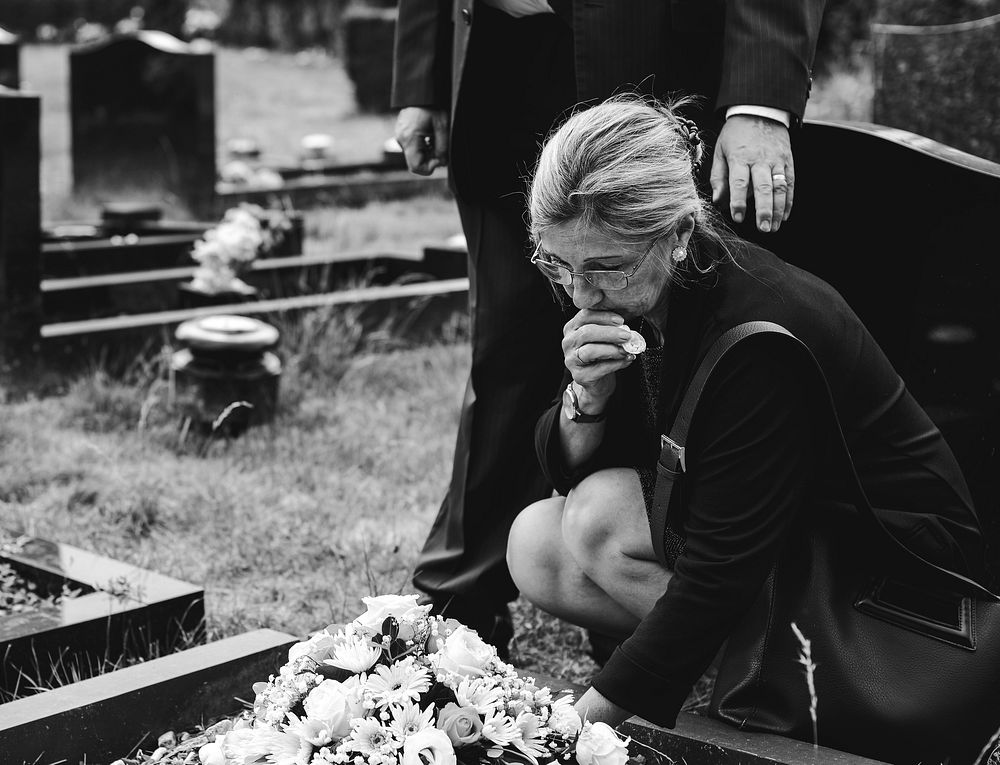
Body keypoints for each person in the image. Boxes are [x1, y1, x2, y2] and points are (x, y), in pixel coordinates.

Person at [505, 95, 991, 754]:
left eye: (602, 268)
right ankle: (734, 669)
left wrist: (571, 731)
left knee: (600, 517)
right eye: (560, 265)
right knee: (537, 540)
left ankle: (777, 677)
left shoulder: (757, 336)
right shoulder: (638, 281)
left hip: (891, 571)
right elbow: (571, 464)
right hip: (779, 530)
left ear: (677, 235)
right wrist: (586, 394)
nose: (581, 293)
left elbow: (719, 567)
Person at [390, 0, 827, 654]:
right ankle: (464, 593)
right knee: (509, 341)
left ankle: (698, 610)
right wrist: (422, 76)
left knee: (671, 330)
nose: (580, 291)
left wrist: (759, 96)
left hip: (653, 46)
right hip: (499, 55)